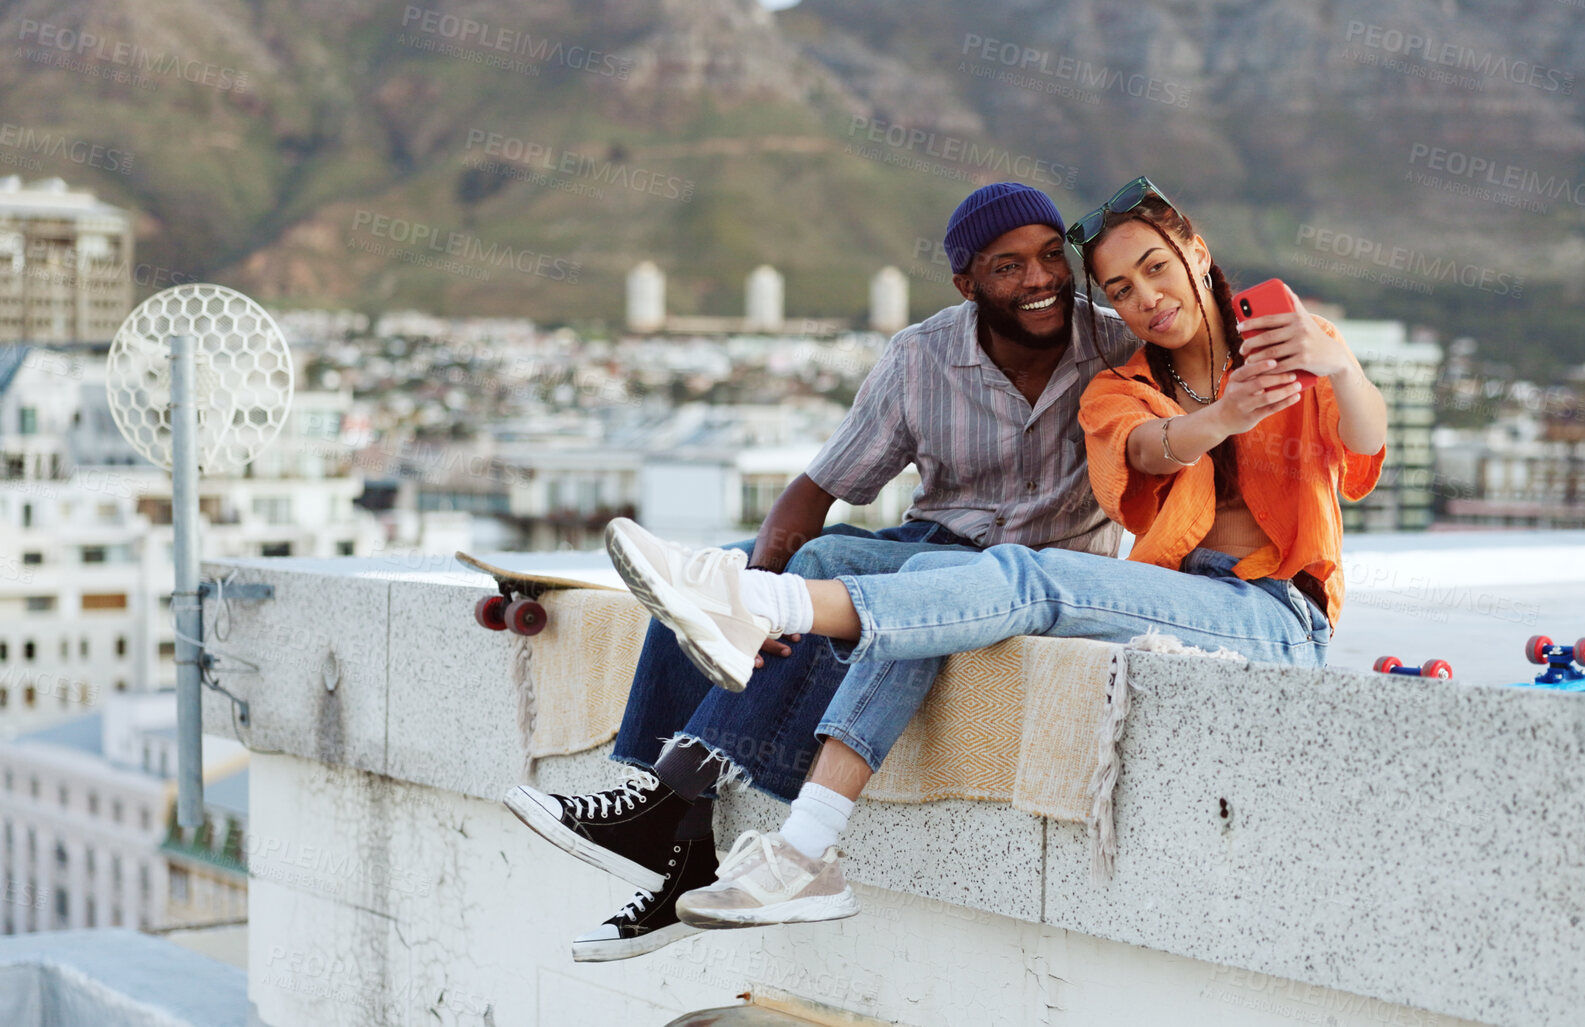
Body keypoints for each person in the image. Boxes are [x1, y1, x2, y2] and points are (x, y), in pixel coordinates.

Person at [604, 175, 1389, 929]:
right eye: (1119, 288)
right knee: (938, 585)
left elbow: (1361, 452)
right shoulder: (1119, 380)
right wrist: (1221, 415)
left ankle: (750, 605)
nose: (1145, 298)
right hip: (1179, 599)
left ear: (1196, 251)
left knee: (1020, 572)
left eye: (1155, 269)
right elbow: (1151, 449)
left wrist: (1341, 367)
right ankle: (798, 845)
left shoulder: (1288, 352)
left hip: (1275, 614)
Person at [499, 182, 1140, 961]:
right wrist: (755, 598)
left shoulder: (1118, 343)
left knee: (820, 564)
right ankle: (678, 840)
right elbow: (816, 489)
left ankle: (667, 799)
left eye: (1049, 257)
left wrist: (768, 603)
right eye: (1008, 267)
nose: (1039, 279)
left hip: (1049, 578)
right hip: (935, 546)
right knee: (734, 568)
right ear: (966, 284)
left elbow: (1202, 361)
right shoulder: (921, 357)